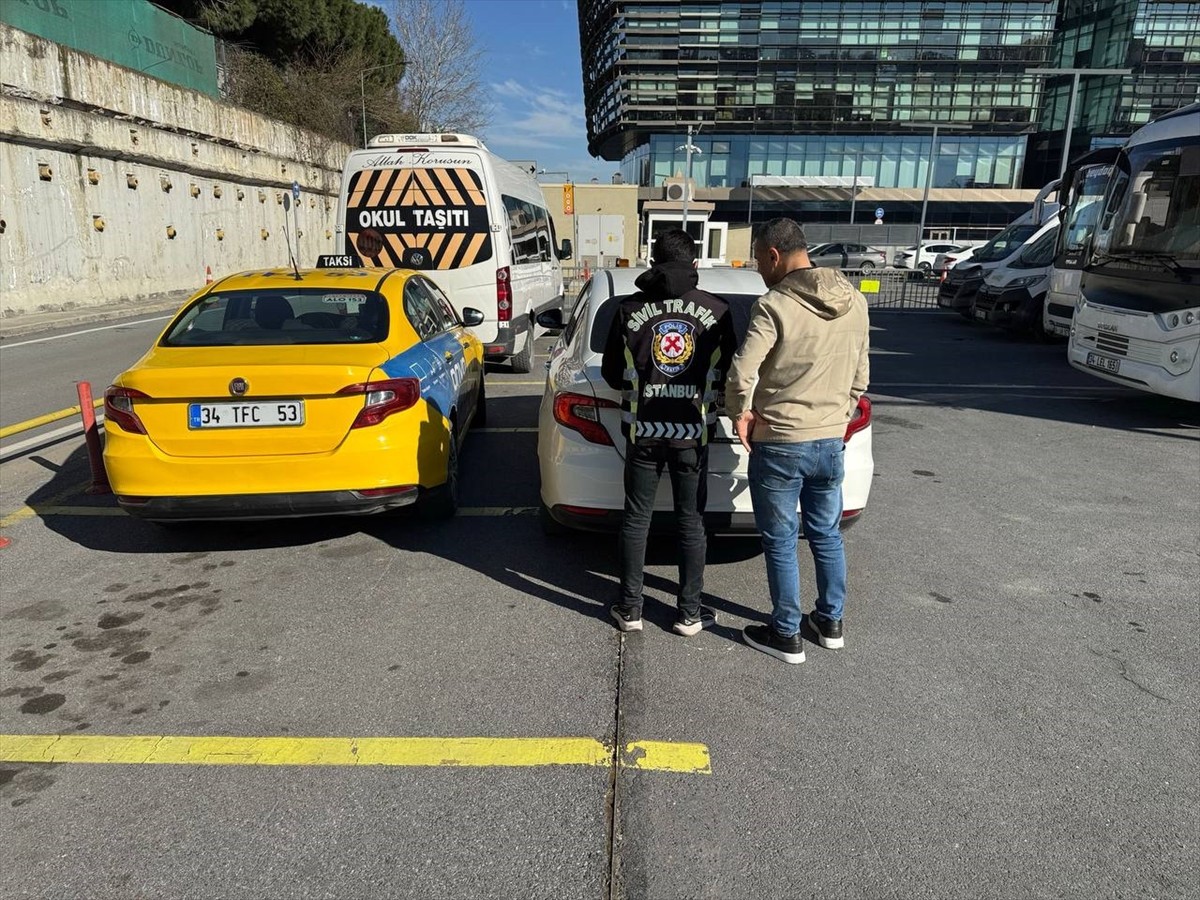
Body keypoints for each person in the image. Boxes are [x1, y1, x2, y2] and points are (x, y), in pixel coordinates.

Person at [725, 218, 870, 664]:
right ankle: (830, 622)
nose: (758, 269)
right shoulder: (855, 301)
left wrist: (740, 414)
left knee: (782, 539)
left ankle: (785, 633)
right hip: (830, 441)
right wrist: (838, 416)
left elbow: (741, 371)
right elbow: (861, 376)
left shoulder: (774, 306)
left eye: (757, 260)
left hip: (781, 440)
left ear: (773, 255)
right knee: (826, 534)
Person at [600, 229, 736, 636]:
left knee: (636, 518)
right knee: (691, 521)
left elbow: (611, 373)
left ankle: (630, 610)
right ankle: (690, 614)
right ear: (695, 265)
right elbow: (731, 372)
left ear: (653, 262)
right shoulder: (719, 311)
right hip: (693, 435)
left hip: (643, 433)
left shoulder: (628, 311)